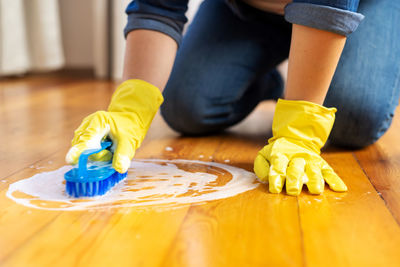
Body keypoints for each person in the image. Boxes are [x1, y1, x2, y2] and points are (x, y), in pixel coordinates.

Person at [66, 0, 400, 196]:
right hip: (246, 10)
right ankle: (271, 84)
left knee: (354, 118)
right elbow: (157, 6)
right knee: (186, 107)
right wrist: (129, 110)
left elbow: (327, 6)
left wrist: (299, 131)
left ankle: (304, 82)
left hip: (360, 8)